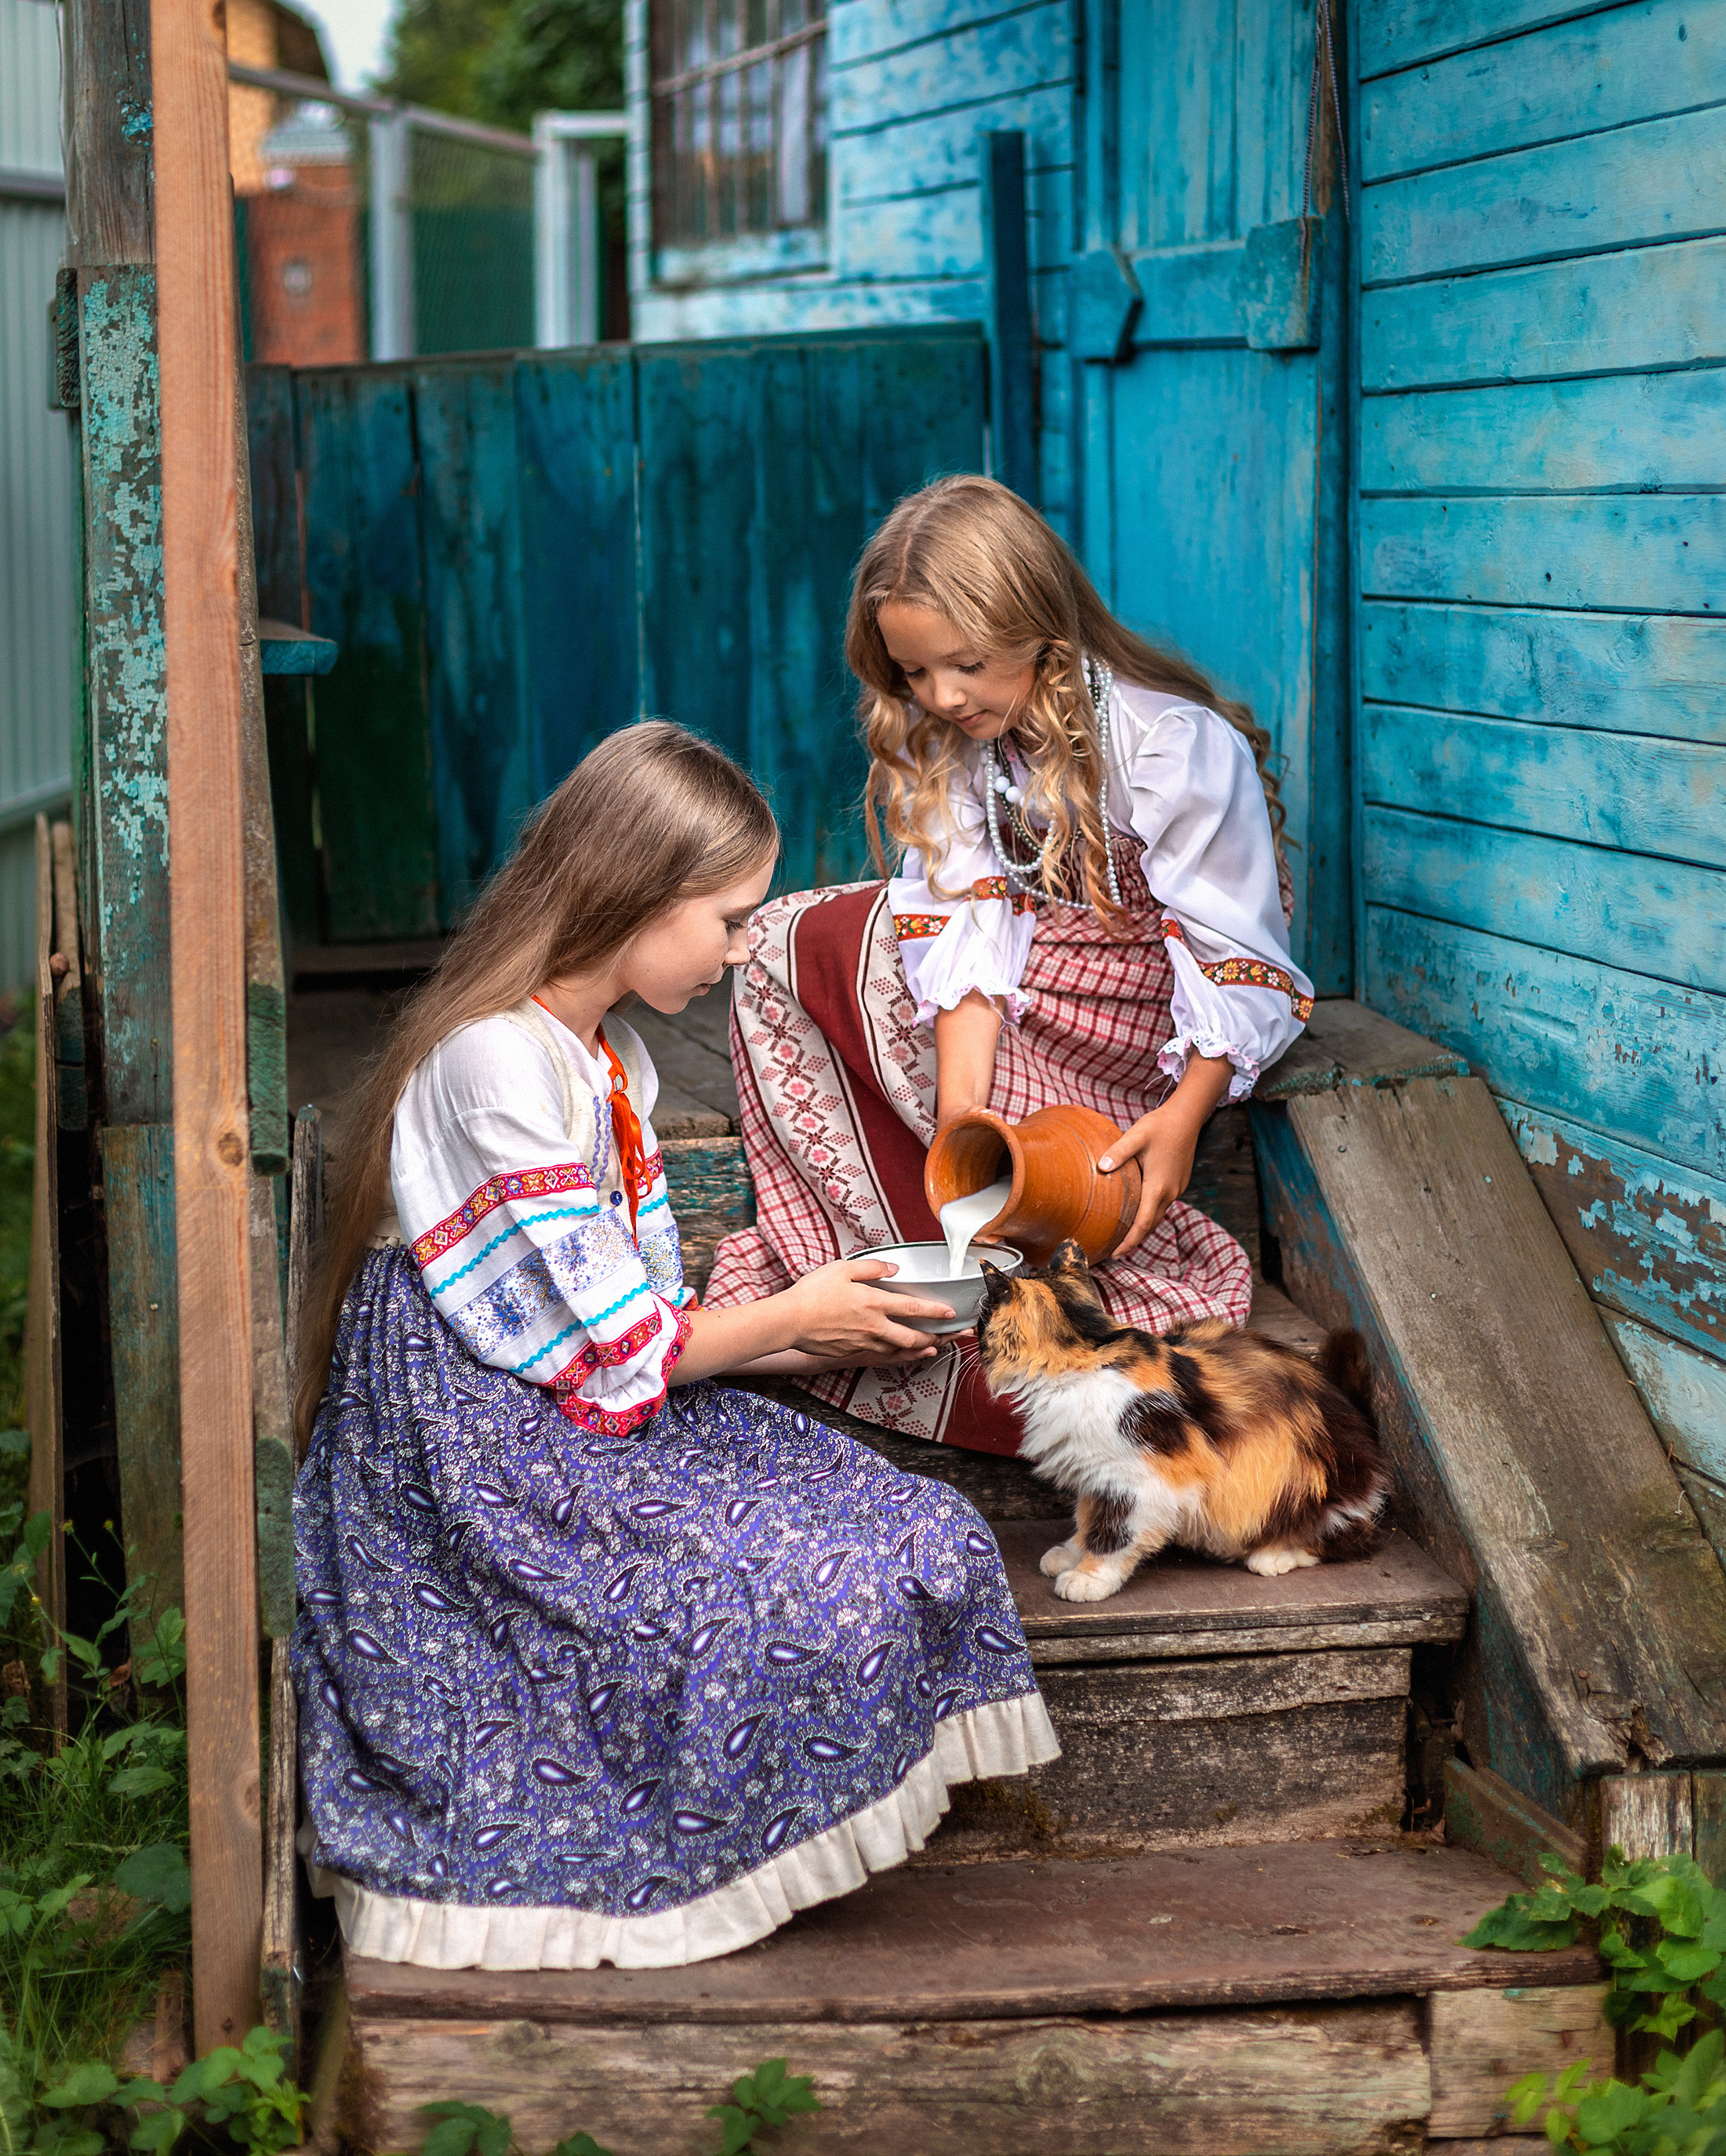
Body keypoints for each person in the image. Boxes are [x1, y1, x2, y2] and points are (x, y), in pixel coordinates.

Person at [290, 722, 1058, 1972]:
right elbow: (610, 1341)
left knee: (903, 1524)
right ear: (632, 898)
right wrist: (788, 1320)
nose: (745, 947)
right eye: (730, 916)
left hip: (578, 1393)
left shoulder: (606, 1056)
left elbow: (623, 1319)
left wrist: (804, 1325)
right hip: (473, 1440)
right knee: (748, 1591)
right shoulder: (493, 1061)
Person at [707, 476, 1314, 1453]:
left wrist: (1188, 1113)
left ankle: (1022, 1291)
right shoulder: (961, 742)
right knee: (790, 936)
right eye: (912, 672)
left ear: (1042, 625)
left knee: (858, 954)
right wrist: (959, 1129)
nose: (942, 696)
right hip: (1023, 986)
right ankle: (909, 1259)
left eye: (968, 665)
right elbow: (963, 937)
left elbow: (1234, 952)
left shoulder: (1166, 744)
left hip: (1142, 1013)